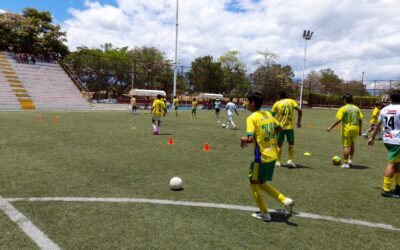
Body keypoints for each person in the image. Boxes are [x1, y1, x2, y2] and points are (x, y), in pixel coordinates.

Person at [240, 92, 294, 222]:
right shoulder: (268, 114)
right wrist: (269, 137)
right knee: (262, 183)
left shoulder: (252, 118)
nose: (246, 103)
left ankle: (265, 213)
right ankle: (284, 200)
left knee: (253, 184)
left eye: (247, 101)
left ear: (252, 103)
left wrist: (242, 138)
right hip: (273, 155)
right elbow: (279, 127)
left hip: (261, 158)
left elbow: (250, 139)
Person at [367, 91, 400, 198]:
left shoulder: (384, 109)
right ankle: (386, 189)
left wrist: (372, 138)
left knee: (397, 163)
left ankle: (398, 186)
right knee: (392, 164)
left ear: (390, 99)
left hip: (388, 139)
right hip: (397, 140)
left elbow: (378, 125)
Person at [327, 94, 363, 169]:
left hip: (347, 129)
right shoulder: (357, 108)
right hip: (355, 128)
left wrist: (331, 127)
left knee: (346, 146)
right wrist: (360, 130)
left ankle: (346, 163)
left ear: (345, 100)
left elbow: (339, 120)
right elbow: (360, 120)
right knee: (352, 145)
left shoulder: (343, 108)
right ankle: (350, 160)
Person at [270, 90, 302, 168]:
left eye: (277, 96)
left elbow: (271, 116)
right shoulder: (291, 101)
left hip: (280, 127)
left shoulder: (276, 104)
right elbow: (300, 110)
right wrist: (299, 122)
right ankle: (290, 161)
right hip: (290, 127)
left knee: (279, 144)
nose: (276, 97)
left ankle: (278, 161)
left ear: (279, 96)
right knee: (291, 143)